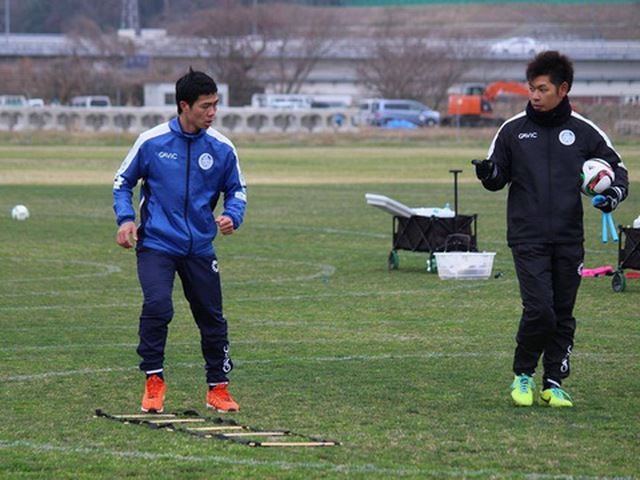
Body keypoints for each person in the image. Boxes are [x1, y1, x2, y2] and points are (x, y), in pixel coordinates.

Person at [472, 51, 628, 408]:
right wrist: (489, 174)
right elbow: (498, 176)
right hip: (527, 236)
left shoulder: (585, 131)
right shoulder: (512, 130)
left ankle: (553, 382)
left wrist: (612, 195)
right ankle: (523, 375)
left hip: (569, 236)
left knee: (562, 312)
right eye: (531, 89)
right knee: (540, 309)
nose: (535, 96)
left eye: (542, 89)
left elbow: (618, 171)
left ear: (563, 88)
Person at [112, 68, 247, 413]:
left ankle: (218, 388)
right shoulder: (152, 141)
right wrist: (126, 219)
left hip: (200, 247)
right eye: (206, 106)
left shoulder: (222, 148)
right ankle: (154, 381)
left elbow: (237, 190)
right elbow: (122, 182)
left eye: (216, 104)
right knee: (158, 306)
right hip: (157, 243)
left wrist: (233, 215)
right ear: (184, 106)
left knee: (212, 318)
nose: (212, 113)